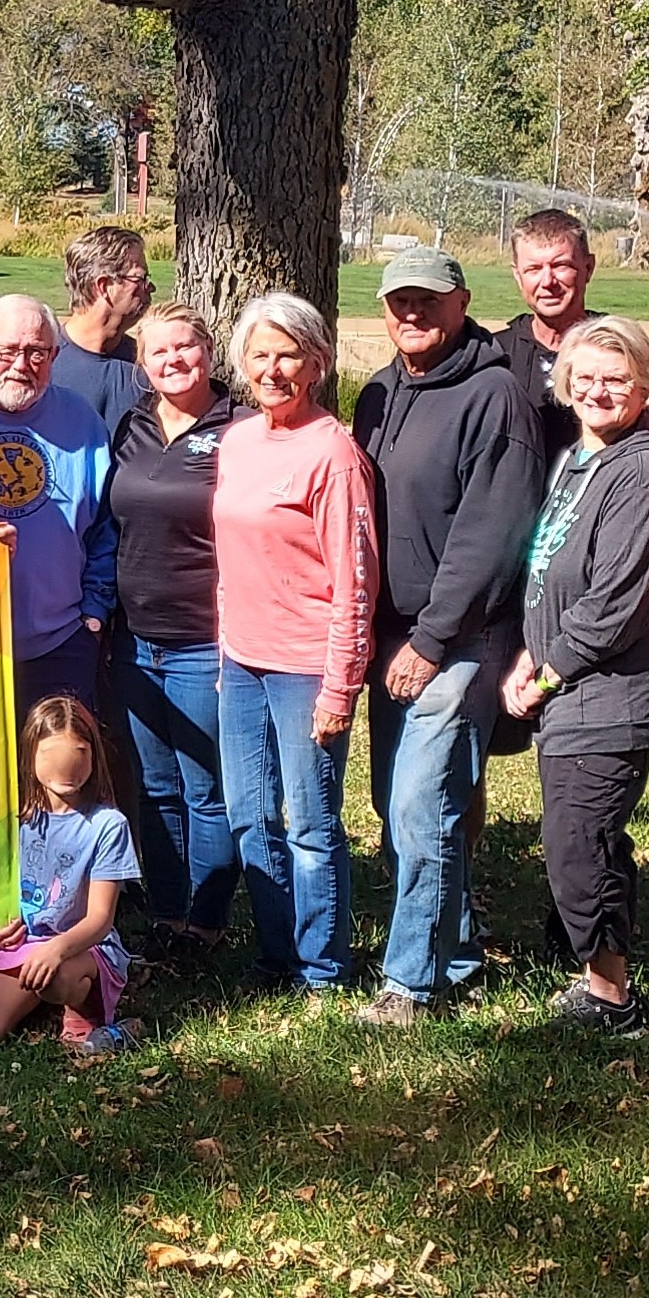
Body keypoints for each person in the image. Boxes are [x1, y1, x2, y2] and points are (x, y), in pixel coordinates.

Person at [346, 247, 544, 1027]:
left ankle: (410, 984)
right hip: (392, 635)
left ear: (462, 303)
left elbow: (491, 535)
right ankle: (454, 950)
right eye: (399, 301)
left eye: (429, 300)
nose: (412, 314)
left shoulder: (494, 395)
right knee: (399, 808)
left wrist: (431, 639)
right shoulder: (382, 393)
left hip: (455, 640)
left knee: (424, 807)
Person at [496, 316, 649, 1036]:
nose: (600, 391)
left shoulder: (643, 469)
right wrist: (530, 652)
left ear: (648, 388)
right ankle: (599, 976)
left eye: (617, 379)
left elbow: (619, 601)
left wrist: (546, 672)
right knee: (584, 836)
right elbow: (549, 567)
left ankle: (612, 998)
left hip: (611, 690)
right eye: (586, 378)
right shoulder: (582, 459)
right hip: (569, 680)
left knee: (580, 839)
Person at [213, 292, 377, 994]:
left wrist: (339, 689)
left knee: (310, 825)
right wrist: (226, 654)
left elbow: (356, 582)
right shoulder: (239, 439)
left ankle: (323, 969)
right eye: (260, 355)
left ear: (316, 363)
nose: (273, 369)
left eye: (288, 355)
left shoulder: (333, 454)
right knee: (250, 819)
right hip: (241, 661)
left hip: (305, 667)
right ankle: (274, 954)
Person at [105, 302, 242, 956]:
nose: (174, 360)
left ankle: (207, 921)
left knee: (206, 786)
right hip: (134, 638)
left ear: (208, 353)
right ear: (142, 364)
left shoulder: (239, 427)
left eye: (186, 347)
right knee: (155, 787)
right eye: (159, 352)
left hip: (205, 640)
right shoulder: (129, 426)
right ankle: (166, 914)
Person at [0, 295, 116, 710]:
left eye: (37, 352)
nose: (22, 365)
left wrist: (94, 611)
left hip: (60, 643)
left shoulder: (81, 419)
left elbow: (106, 526)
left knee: (60, 773)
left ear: (54, 354)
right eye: (8, 351)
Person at [0, 696, 143, 1056]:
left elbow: (100, 920)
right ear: (30, 754)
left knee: (54, 979)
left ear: (94, 756)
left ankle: (81, 1011)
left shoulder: (108, 825)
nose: (69, 765)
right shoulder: (13, 819)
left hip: (84, 947)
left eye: (80, 752)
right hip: (25, 946)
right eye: (51, 753)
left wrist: (56, 950)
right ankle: (37, 999)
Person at [495, 211, 649, 463]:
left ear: (588, 268)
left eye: (561, 266)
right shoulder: (494, 356)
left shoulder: (626, 357)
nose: (548, 281)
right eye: (534, 268)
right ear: (517, 276)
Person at [53, 226, 156, 436]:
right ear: (104, 286)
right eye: (140, 279)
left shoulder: (150, 363)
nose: (151, 288)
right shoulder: (45, 365)